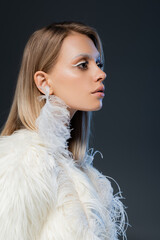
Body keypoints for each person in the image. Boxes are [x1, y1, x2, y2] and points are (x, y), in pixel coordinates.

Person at [0, 21, 129, 239]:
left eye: (98, 63)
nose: (101, 73)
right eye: (82, 64)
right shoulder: (23, 162)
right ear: (43, 82)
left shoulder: (80, 170)